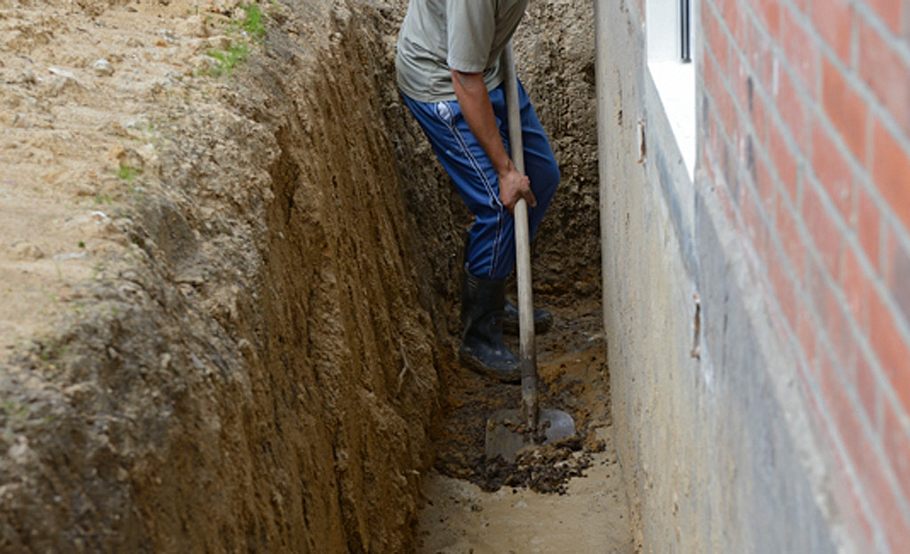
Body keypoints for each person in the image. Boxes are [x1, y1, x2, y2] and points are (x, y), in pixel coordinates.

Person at [396, 0, 560, 383]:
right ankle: (479, 336)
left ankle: (498, 291)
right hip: (445, 83)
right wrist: (504, 170)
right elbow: (463, 77)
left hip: (484, 67)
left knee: (541, 175)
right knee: (500, 205)